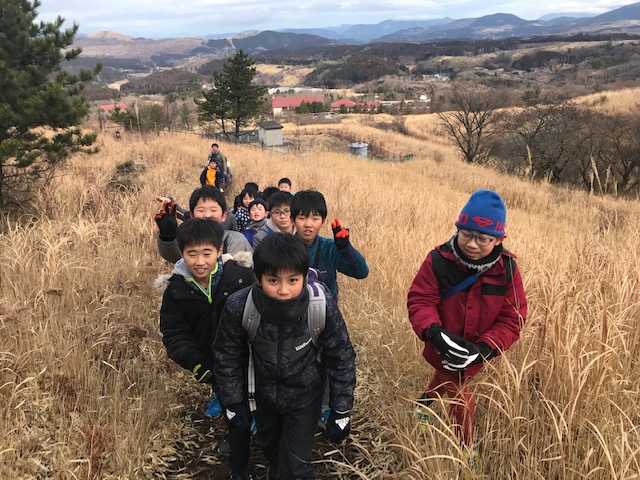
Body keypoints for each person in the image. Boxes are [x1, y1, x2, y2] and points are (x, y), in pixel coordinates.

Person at [213, 233, 356, 480]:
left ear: (304, 275)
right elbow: (227, 356)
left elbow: (341, 356)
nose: (283, 290)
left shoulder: (320, 305)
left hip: (305, 397)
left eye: (293, 280)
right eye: (273, 280)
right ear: (257, 277)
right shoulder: (240, 306)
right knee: (270, 448)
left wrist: (341, 409)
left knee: (297, 466)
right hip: (261, 396)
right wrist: (233, 403)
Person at [407, 190, 527, 469]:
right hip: (441, 344)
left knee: (447, 377)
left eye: (483, 238)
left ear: (499, 239)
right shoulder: (438, 260)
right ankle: (467, 453)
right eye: (466, 234)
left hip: (477, 350)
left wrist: (484, 349)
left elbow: (514, 317)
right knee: (460, 396)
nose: (472, 244)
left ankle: (423, 407)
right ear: (458, 229)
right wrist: (434, 333)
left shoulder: (507, 270)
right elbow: (420, 300)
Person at [156, 218, 254, 475]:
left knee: (263, 405)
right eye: (192, 254)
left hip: (252, 357)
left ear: (219, 250)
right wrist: (198, 364)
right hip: (215, 365)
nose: (199, 261)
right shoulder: (176, 289)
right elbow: (174, 333)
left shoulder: (240, 277)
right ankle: (239, 465)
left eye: (207, 253)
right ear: (181, 253)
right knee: (234, 412)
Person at [290, 190, 369, 300]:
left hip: (326, 309)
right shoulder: (283, 248)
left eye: (315, 218)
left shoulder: (329, 248)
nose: (308, 224)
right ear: (292, 220)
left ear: (323, 222)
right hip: (293, 308)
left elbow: (361, 272)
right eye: (302, 218)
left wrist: (345, 248)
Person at [154, 186, 251, 263]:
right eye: (201, 210)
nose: (207, 215)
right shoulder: (187, 239)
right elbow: (173, 256)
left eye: (213, 210)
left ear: (224, 216)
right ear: (192, 215)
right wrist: (168, 237)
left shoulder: (237, 240)